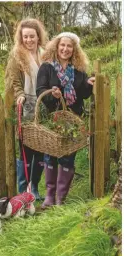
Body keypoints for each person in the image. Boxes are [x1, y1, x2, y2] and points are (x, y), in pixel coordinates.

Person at [36, 32, 95, 208]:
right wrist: (53, 96)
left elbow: (83, 95)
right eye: (62, 45)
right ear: (56, 46)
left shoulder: (78, 70)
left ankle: (61, 198)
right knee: (50, 155)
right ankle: (49, 196)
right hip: (53, 119)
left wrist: (88, 84)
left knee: (68, 157)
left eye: (69, 46)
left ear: (74, 50)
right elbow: (40, 90)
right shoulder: (46, 68)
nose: (65, 49)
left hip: (74, 119)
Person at [5, 18, 48, 200]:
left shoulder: (45, 54)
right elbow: (13, 79)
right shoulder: (17, 55)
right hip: (25, 108)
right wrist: (19, 94)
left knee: (41, 149)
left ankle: (35, 188)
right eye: (25, 37)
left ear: (38, 36)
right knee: (25, 150)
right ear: (21, 38)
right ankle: (23, 191)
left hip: (43, 108)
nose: (29, 40)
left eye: (32, 36)